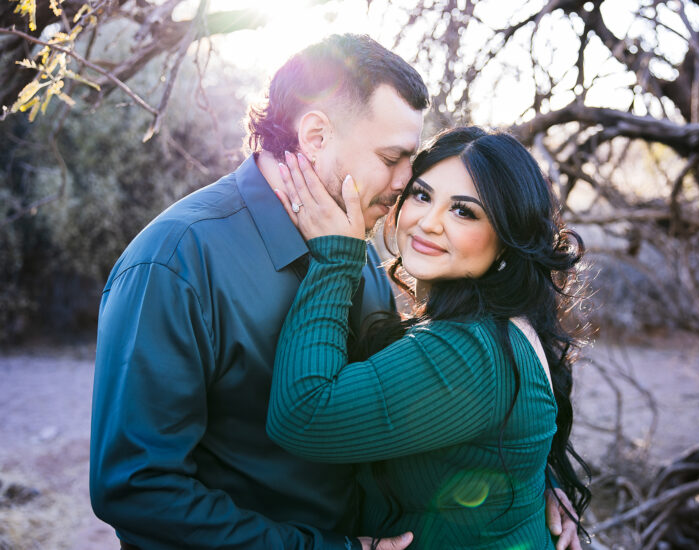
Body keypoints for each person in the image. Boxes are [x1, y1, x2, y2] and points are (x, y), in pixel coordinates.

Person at [90, 32, 582, 549]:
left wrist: (524, 476)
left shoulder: (356, 245)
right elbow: (137, 489)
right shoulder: (175, 263)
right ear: (317, 136)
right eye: (394, 157)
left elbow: (410, 396)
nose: (403, 182)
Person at [268, 126, 592, 549]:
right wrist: (535, 481)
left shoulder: (472, 351)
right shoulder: (496, 323)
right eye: (422, 195)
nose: (428, 222)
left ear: (508, 239)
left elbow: (303, 417)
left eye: (464, 211)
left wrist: (334, 258)